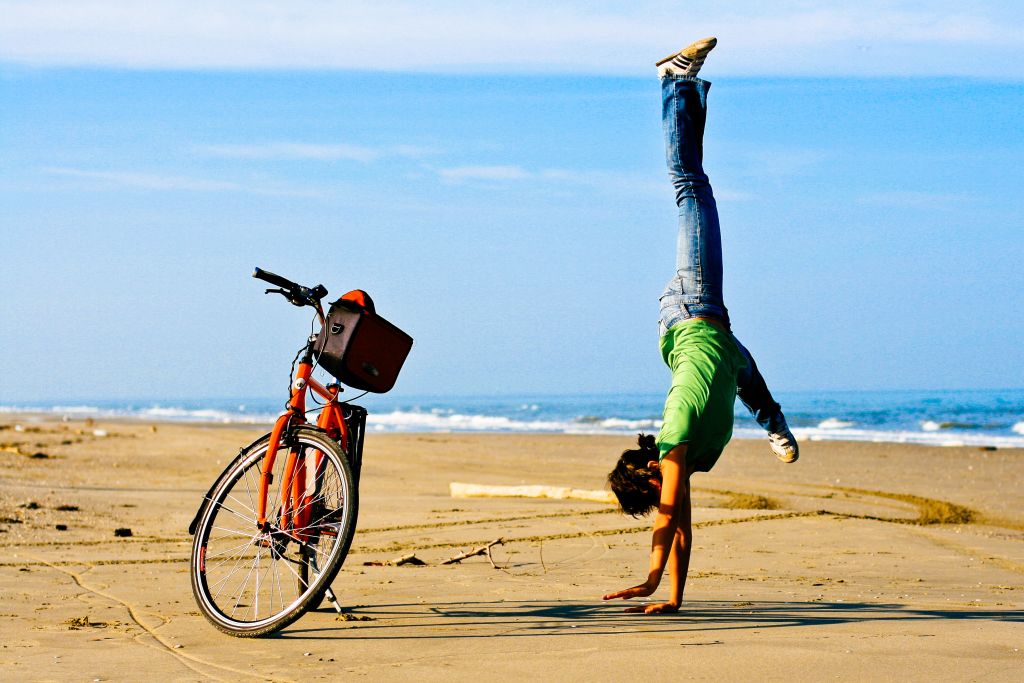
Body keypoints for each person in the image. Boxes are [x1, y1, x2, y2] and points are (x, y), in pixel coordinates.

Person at [603, 37, 798, 614]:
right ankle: (775, 423)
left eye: (661, 487)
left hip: (691, 307)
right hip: (713, 331)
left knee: (691, 190)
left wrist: (649, 574)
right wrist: (675, 599)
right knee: (744, 371)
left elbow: (667, 523)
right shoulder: (691, 456)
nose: (671, 494)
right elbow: (684, 525)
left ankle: (673, 83)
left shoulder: (678, 434)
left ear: (652, 471)